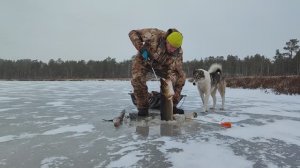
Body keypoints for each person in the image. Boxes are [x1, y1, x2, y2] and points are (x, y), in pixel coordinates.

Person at [129, 28, 186, 116]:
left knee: (180, 78)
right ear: (167, 41)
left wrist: (169, 82)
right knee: (137, 78)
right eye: (171, 46)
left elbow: (175, 70)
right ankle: (143, 108)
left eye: (175, 48)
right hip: (144, 61)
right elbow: (133, 33)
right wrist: (141, 48)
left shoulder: (178, 53)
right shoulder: (154, 35)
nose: (172, 50)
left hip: (162, 67)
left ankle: (171, 106)